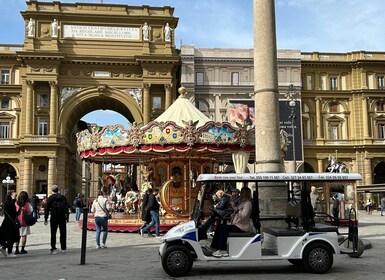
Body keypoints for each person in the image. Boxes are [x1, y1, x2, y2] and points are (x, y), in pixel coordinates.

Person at [211, 186, 253, 257]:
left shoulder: (248, 204)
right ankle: (214, 247)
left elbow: (244, 216)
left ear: (246, 194)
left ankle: (222, 250)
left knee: (224, 228)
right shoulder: (242, 202)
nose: (240, 193)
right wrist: (233, 208)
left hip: (242, 227)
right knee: (219, 226)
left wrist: (236, 211)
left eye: (242, 192)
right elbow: (237, 210)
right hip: (237, 224)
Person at [44, 185, 70, 255]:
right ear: (57, 190)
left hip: (54, 217)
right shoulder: (63, 197)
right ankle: (63, 248)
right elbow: (67, 207)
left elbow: (46, 209)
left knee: (53, 233)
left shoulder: (50, 198)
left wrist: (45, 218)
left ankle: (53, 248)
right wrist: (67, 217)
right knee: (63, 232)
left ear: (52, 190)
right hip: (62, 217)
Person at [0, 192, 20, 257]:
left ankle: (4, 247)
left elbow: (14, 213)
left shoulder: (11, 202)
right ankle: (9, 251)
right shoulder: (7, 202)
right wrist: (13, 199)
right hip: (8, 222)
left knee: (13, 237)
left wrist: (19, 211)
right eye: (14, 195)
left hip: (11, 222)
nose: (16, 196)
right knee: (11, 237)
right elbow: (9, 207)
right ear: (10, 195)